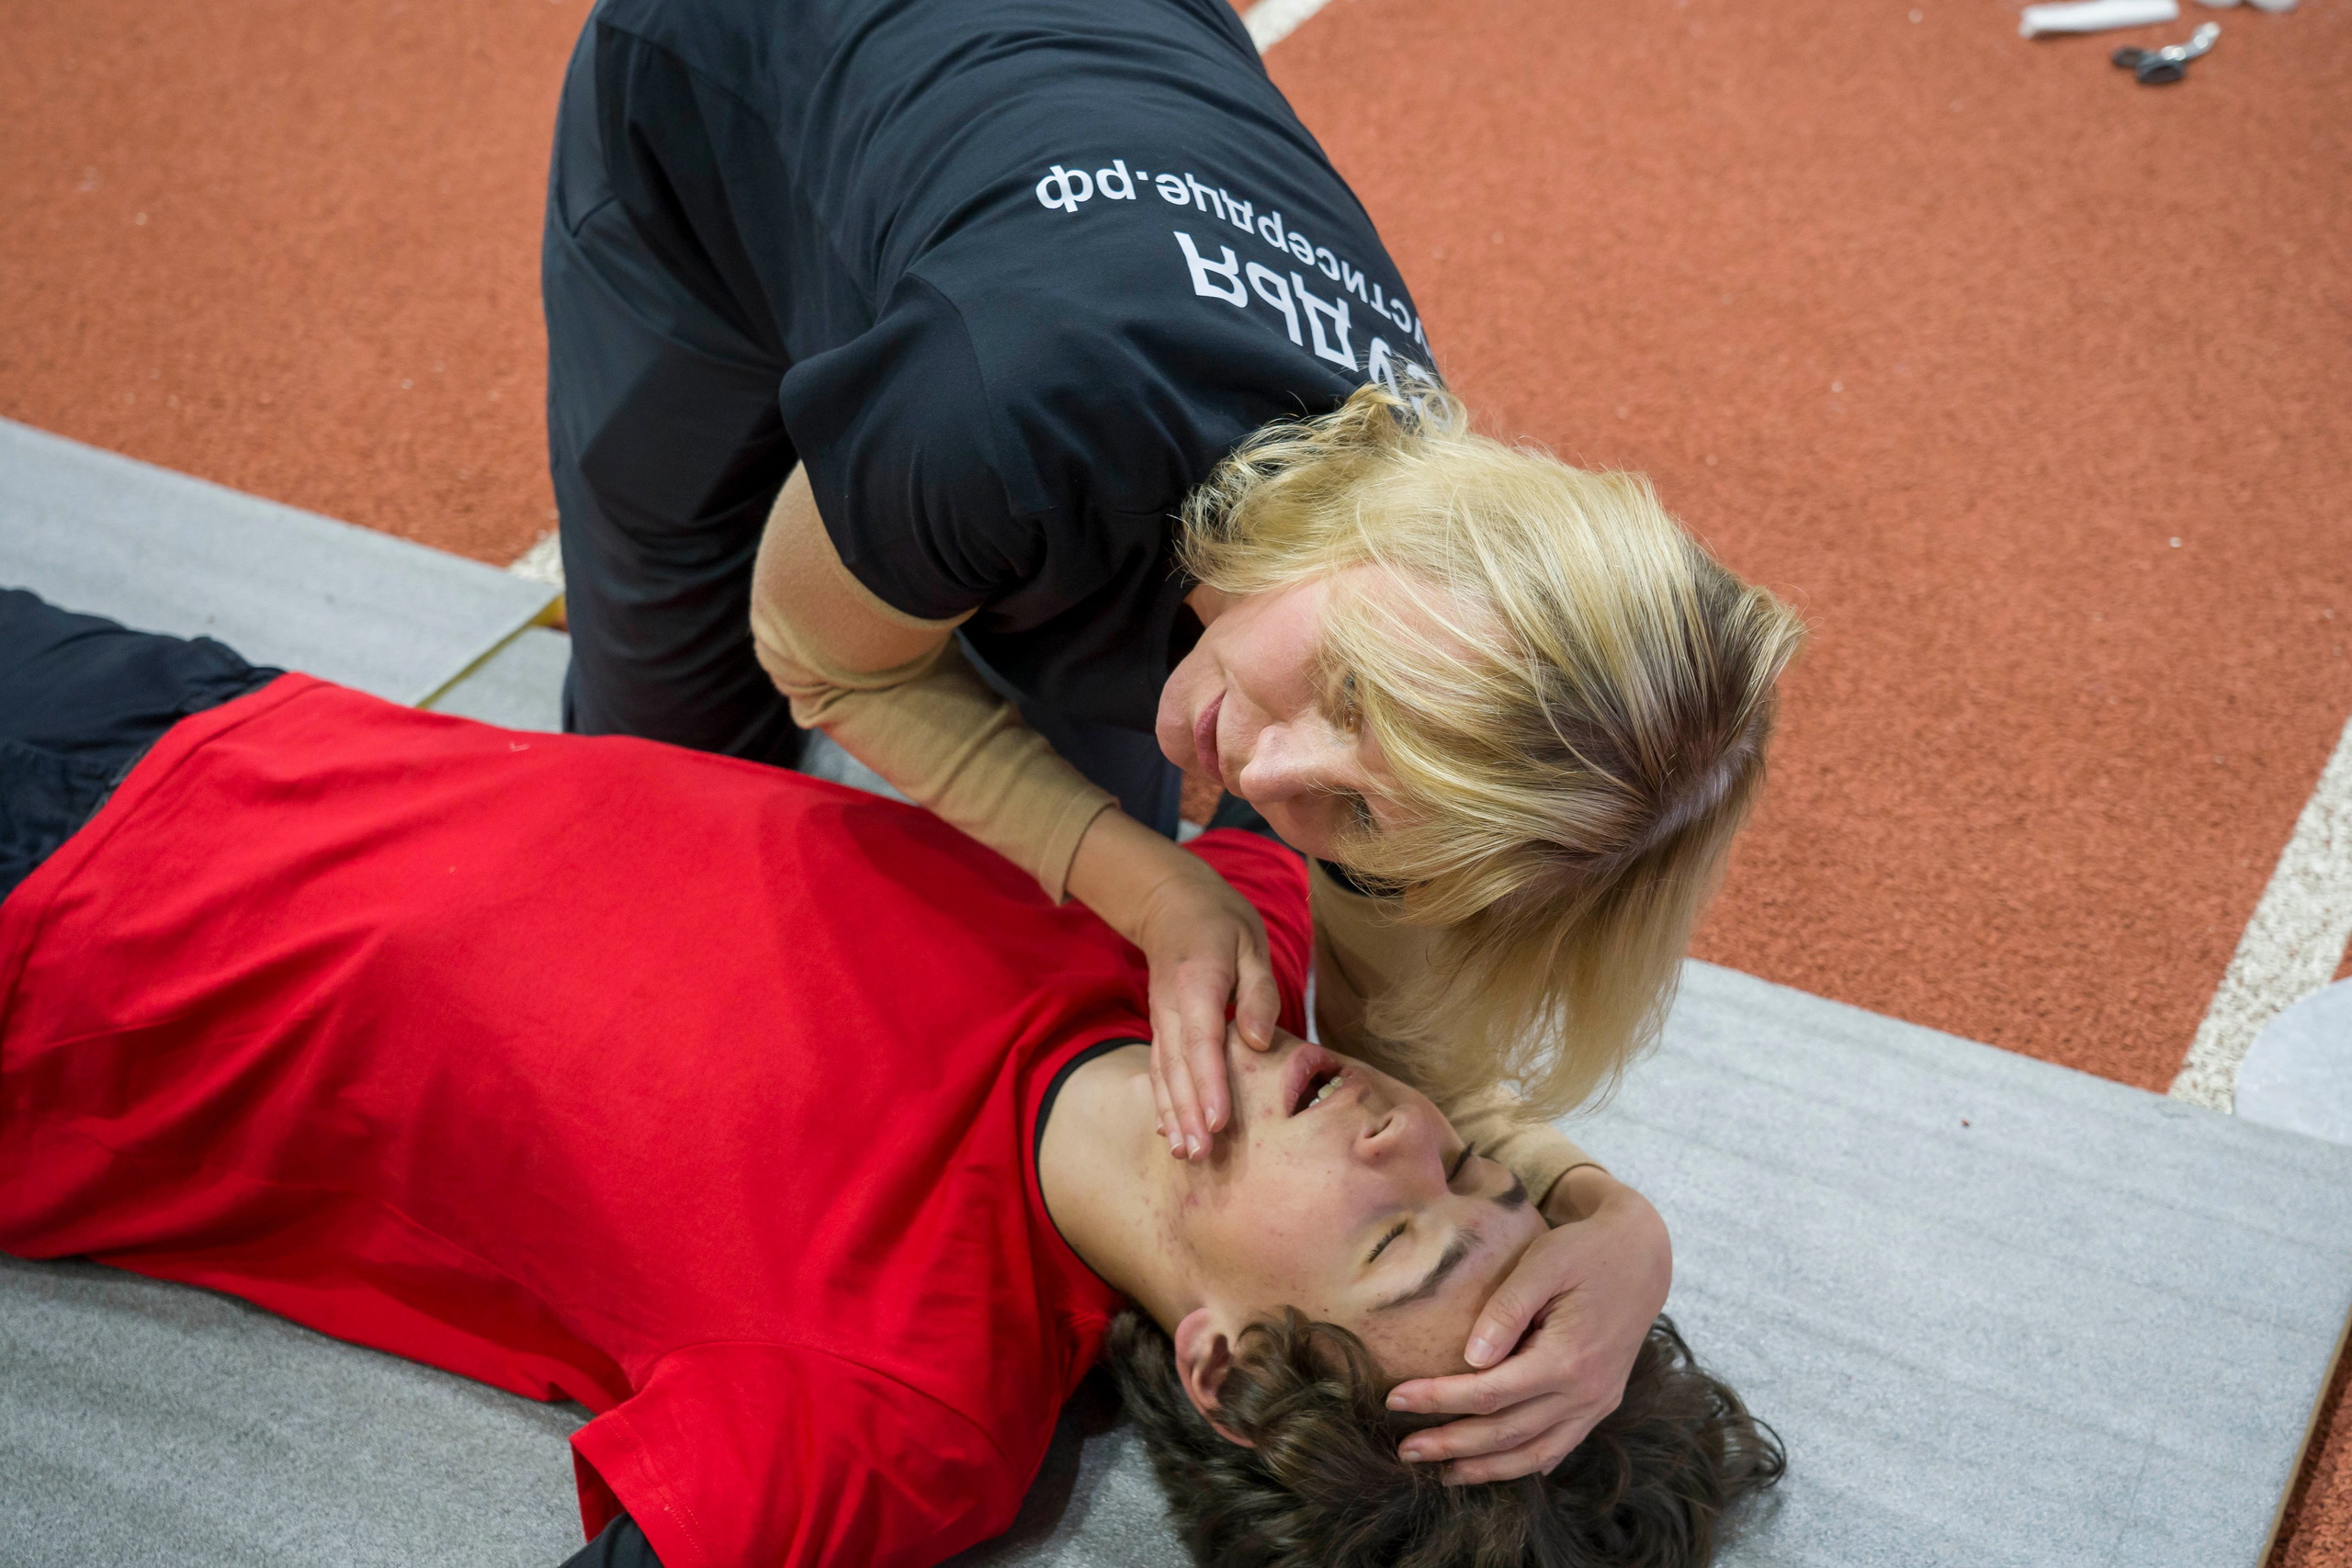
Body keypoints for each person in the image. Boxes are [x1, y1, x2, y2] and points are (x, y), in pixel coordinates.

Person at [545, 0, 1806, 1461]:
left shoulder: (1441, 702)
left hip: (1032, 265)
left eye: (1367, 814)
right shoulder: (1003, 416)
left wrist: (1612, 1225)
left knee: (1078, 935)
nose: (1266, 777)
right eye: (1345, 694)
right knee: (660, 771)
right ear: (1389, 539)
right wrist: (1157, 885)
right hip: (728, 90)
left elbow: (1391, 1069)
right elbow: (820, 656)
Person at [0, 592, 1781, 1567]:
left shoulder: (900, 1405)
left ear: (1228, 1368)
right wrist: (1609, 1216)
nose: (1413, 1133)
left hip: (40, 965)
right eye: (1481, 1188)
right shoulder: (1220, 945)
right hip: (212, 716)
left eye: (1405, 1239)